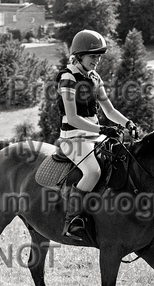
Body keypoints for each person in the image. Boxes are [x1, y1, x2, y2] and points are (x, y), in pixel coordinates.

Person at [56, 29, 138, 240]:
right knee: (92, 172)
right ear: (79, 55)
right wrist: (103, 130)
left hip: (94, 136)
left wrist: (127, 123)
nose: (97, 61)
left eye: (99, 57)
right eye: (93, 56)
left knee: (124, 158)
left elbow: (109, 111)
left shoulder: (94, 78)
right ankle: (72, 220)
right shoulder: (67, 78)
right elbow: (73, 118)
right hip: (72, 139)